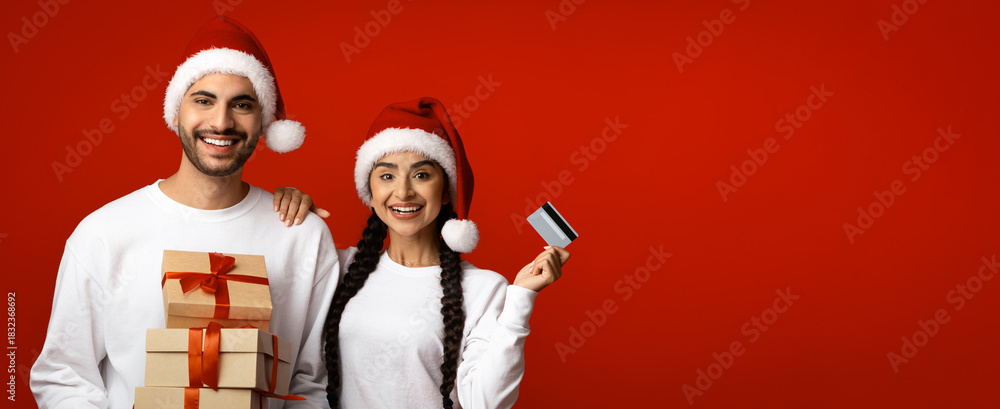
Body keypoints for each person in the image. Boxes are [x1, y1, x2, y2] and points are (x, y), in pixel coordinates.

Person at [30, 16, 338, 409]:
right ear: (175, 113)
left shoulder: (302, 235)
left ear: (264, 122)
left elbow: (312, 383)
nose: (221, 122)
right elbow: (64, 375)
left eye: (242, 104)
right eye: (204, 100)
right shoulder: (104, 233)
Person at [320, 97, 570, 409]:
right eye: (387, 175)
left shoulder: (485, 288)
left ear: (446, 188)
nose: (403, 192)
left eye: (422, 175)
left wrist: (520, 298)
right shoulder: (338, 268)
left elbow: (484, 402)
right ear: (369, 192)